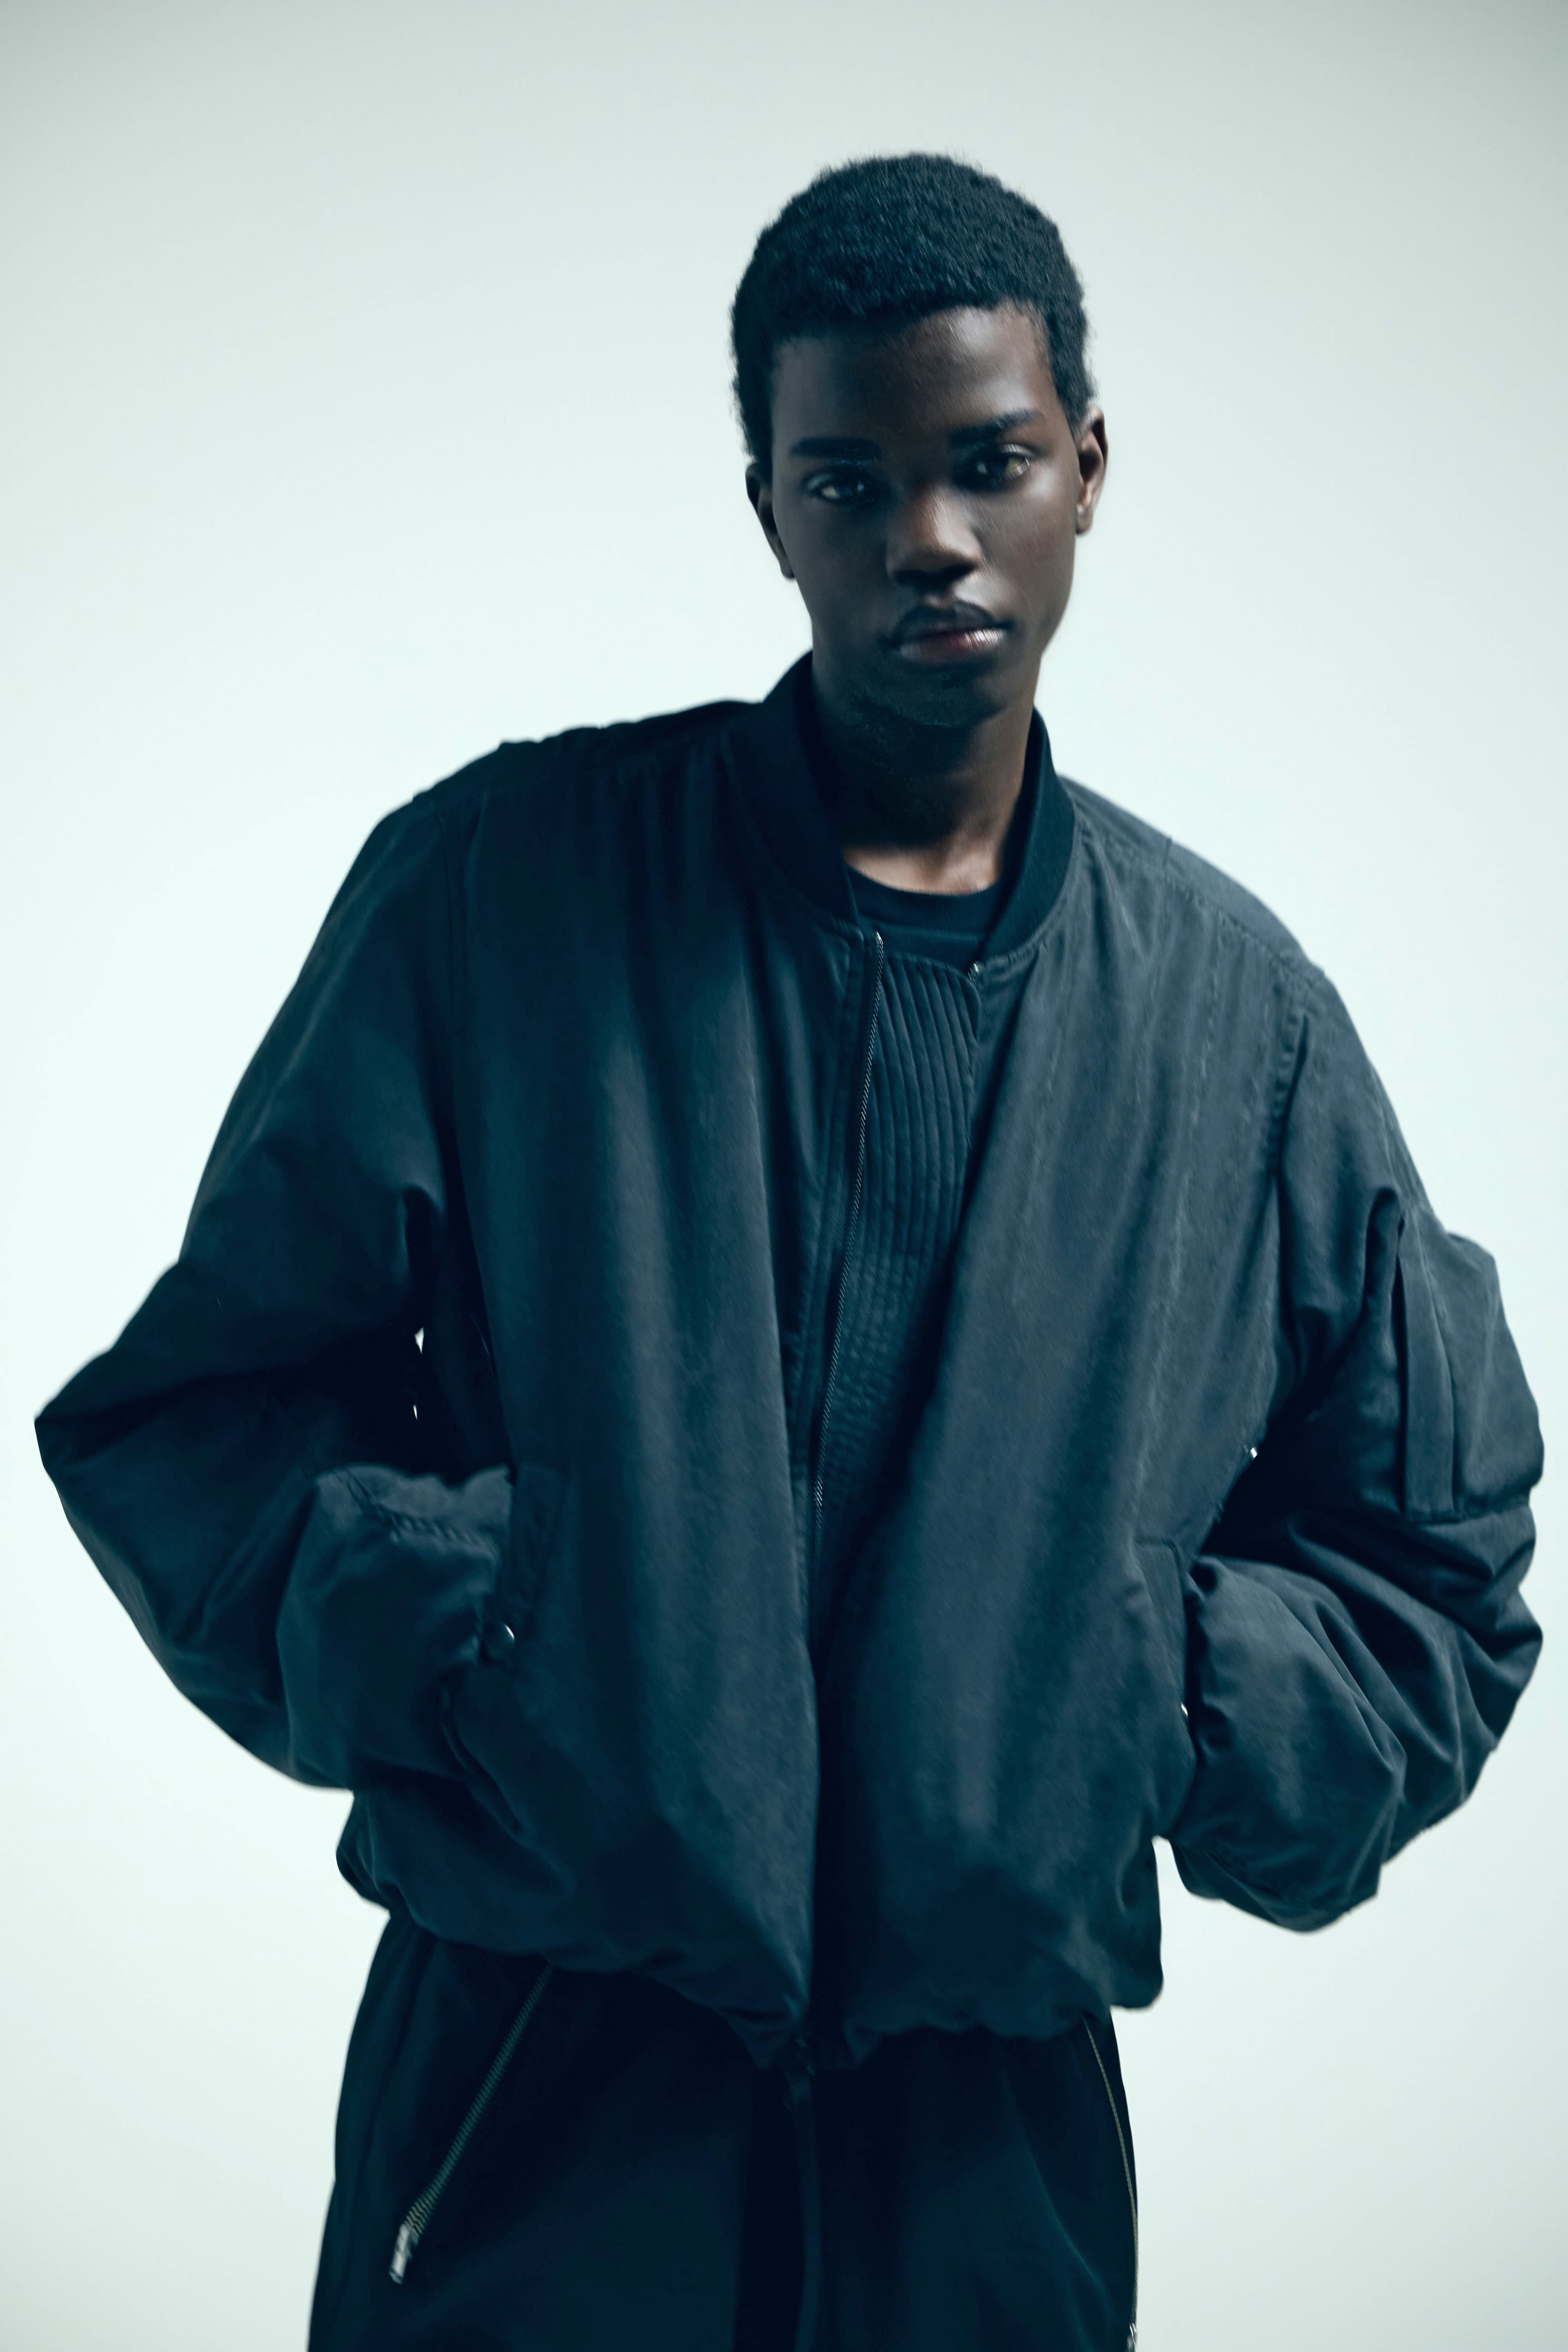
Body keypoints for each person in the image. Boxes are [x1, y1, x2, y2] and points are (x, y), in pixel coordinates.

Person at [36, 153, 1544, 2352]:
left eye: (989, 465)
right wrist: (497, 1633)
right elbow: (196, 1417)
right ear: (768, 503)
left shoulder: (1237, 1023)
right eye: (850, 478)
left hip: (985, 2169)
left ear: (1085, 470)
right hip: (534, 2116)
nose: (930, 537)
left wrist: (1153, 1701)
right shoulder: (500, 900)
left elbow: (1433, 1550)